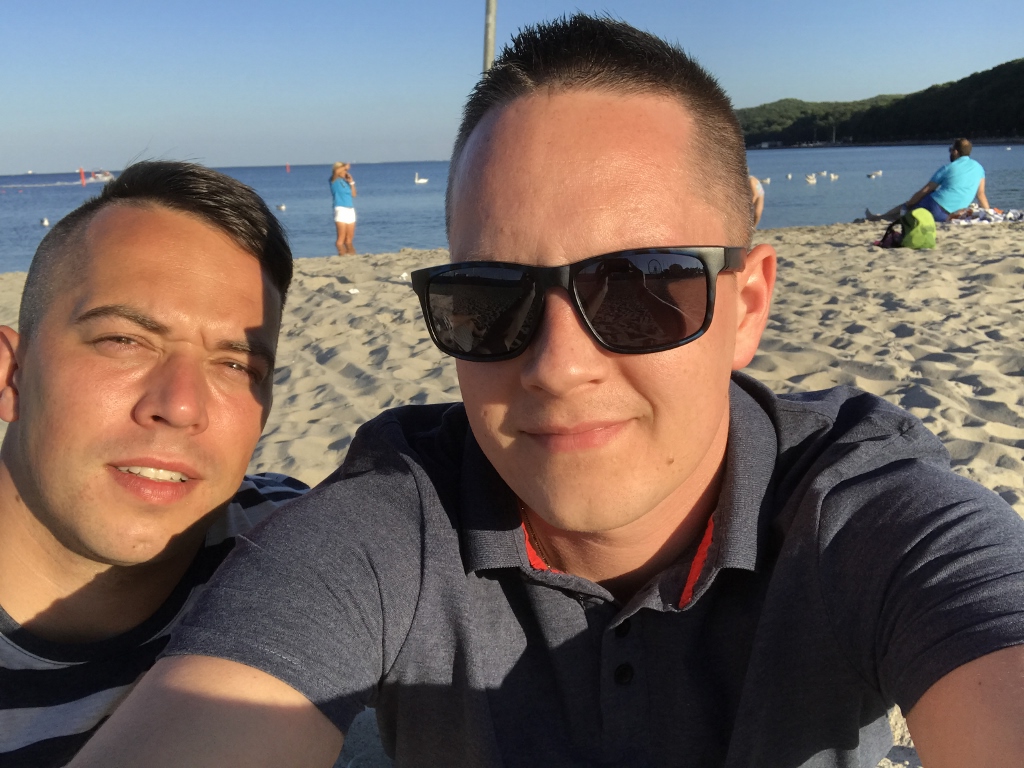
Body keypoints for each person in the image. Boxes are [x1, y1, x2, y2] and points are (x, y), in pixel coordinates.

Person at [72, 17, 1024, 768]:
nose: (557, 365)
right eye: (490, 300)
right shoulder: (392, 520)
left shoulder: (861, 511)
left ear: (747, 305)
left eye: (642, 288)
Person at [0, 161, 308, 767]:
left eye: (236, 365)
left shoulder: (300, 548)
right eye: (124, 341)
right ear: (12, 375)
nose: (182, 406)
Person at [865, 138, 990, 223]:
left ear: (956, 152)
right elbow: (981, 195)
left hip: (936, 206)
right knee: (915, 210)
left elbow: (926, 190)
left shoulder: (948, 168)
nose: (950, 152)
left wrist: (909, 203)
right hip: (952, 214)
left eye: (951, 150)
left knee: (909, 207)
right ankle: (884, 217)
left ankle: (880, 218)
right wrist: (988, 213)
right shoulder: (979, 168)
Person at [330, 161, 358, 255]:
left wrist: (351, 183)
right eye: (343, 170)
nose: (345, 172)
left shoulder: (345, 182)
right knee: (341, 238)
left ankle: (351, 255)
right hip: (340, 209)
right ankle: (342, 254)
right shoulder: (334, 180)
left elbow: (354, 194)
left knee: (349, 239)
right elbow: (336, 172)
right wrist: (345, 166)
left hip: (350, 209)